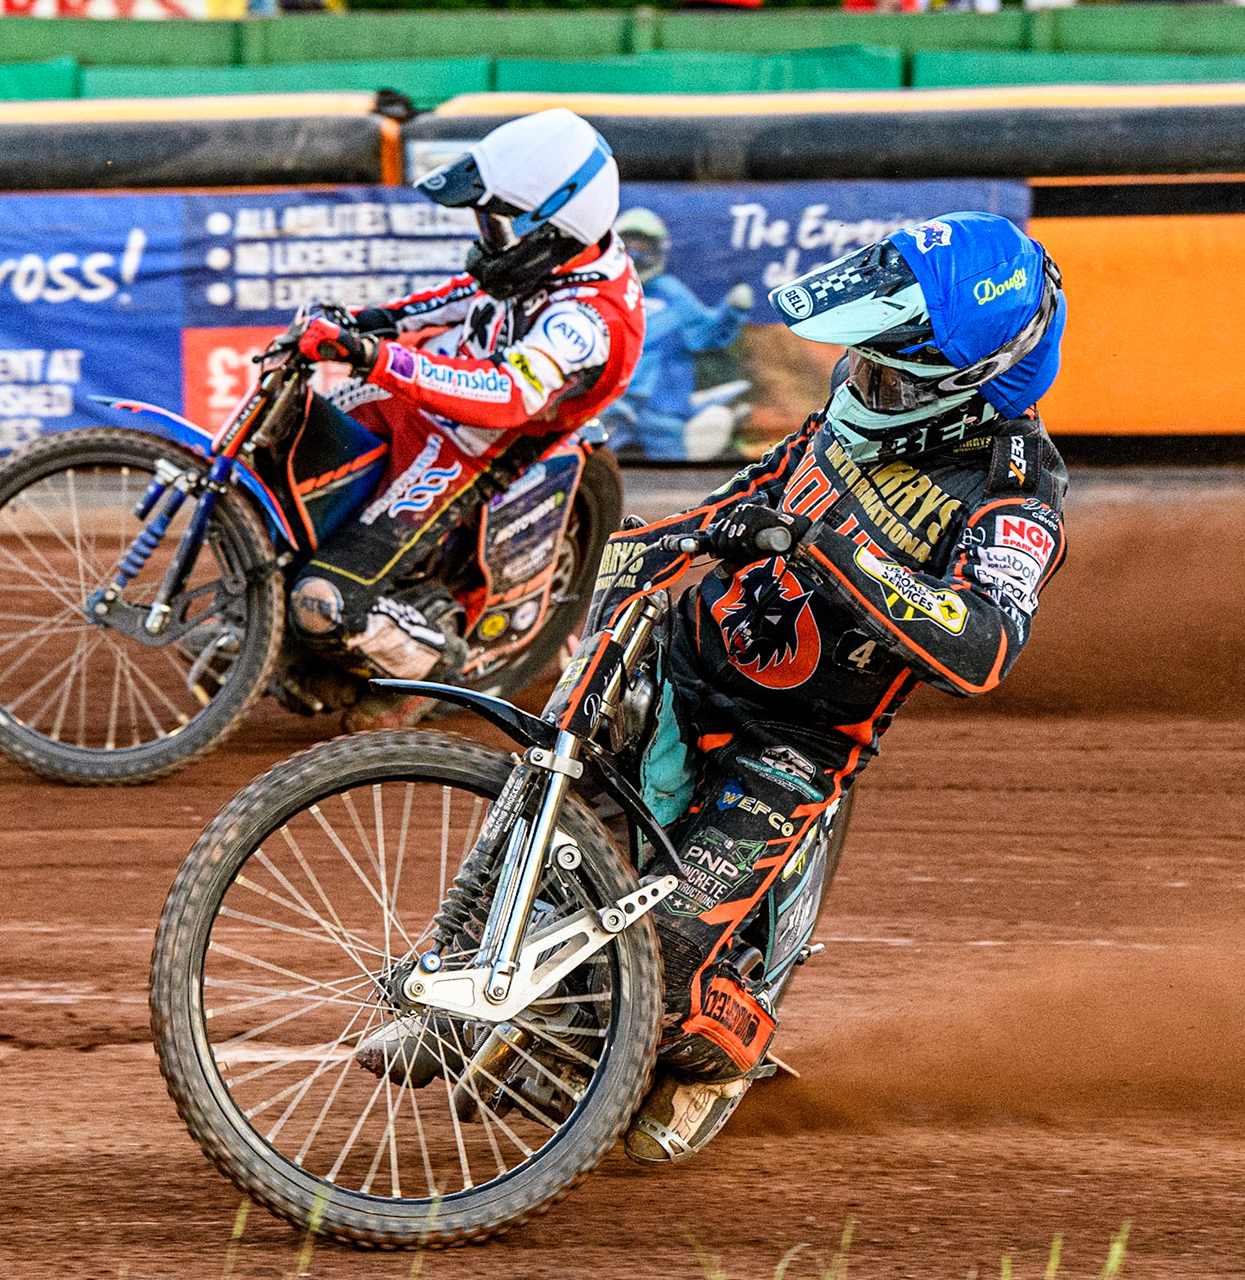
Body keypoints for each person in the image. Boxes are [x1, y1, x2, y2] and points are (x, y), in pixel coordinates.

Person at [617, 211, 1069, 1163]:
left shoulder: (1014, 488)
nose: (864, 381)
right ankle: (464, 953)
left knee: (654, 960)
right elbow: (768, 481)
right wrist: (659, 542)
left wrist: (847, 555)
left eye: (891, 370)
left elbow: (986, 643)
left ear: (969, 387)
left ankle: (728, 1044)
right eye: (865, 360)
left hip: (798, 742)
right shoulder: (856, 406)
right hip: (690, 657)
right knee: (557, 770)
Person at [280, 108, 646, 732]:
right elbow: (460, 297)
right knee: (289, 455)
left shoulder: (585, 324)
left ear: (552, 223)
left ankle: (431, 667)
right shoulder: (552, 259)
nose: (486, 235)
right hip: (421, 404)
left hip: (473, 448)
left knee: (323, 602)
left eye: (497, 221)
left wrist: (380, 357)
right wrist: (367, 323)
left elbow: (501, 397)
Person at [610, 206, 756, 462]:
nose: (635, 253)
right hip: (611, 406)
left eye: (642, 246)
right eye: (628, 244)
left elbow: (708, 334)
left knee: (676, 476)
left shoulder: (671, 293)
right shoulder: (606, 290)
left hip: (662, 412)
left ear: (657, 250)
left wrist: (732, 311)